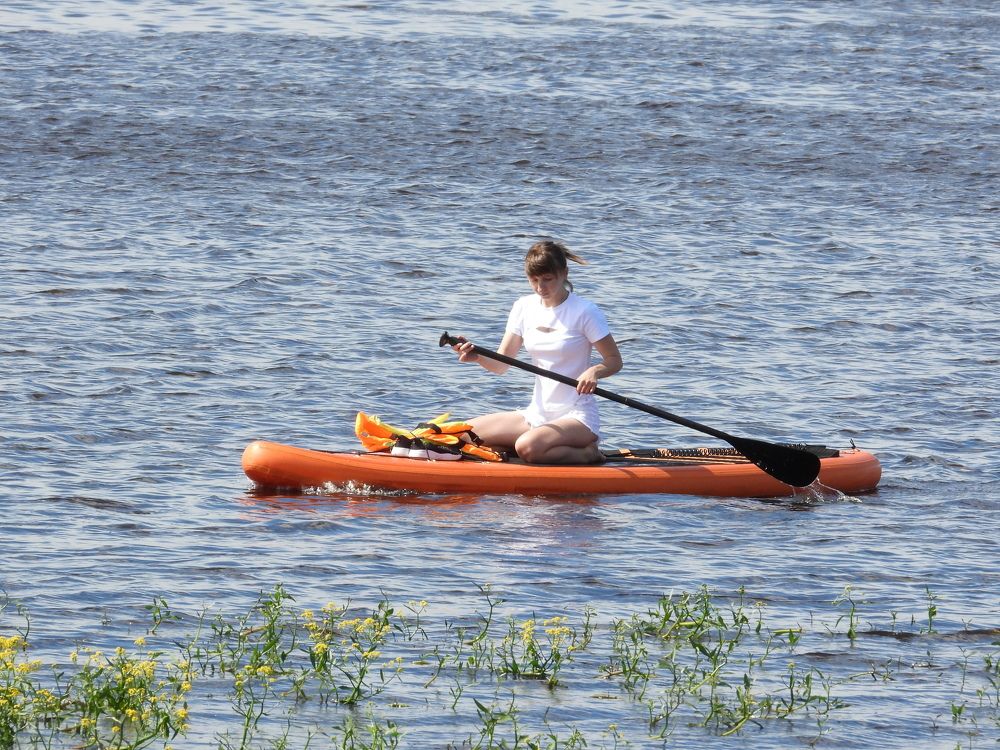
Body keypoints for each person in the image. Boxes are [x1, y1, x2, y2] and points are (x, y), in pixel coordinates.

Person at [451, 240, 622, 464]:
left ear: (564, 274)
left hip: (577, 417)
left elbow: (614, 360)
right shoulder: (523, 307)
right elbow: (501, 365)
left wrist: (595, 372)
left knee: (527, 446)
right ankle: (525, 449)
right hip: (536, 415)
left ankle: (588, 453)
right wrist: (477, 357)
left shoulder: (585, 311)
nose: (541, 287)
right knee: (463, 436)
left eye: (548, 279)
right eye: (534, 280)